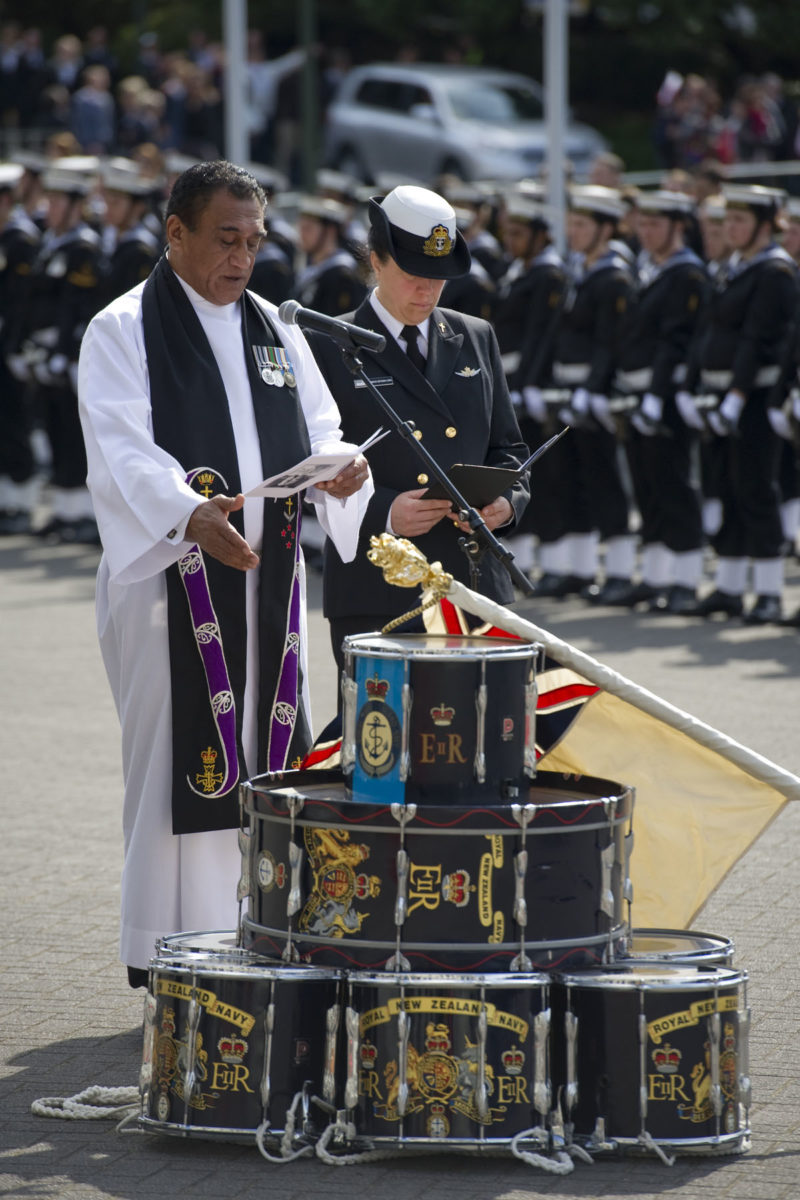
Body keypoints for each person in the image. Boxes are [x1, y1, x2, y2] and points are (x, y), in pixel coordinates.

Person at [77, 160, 373, 987]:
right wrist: (187, 514)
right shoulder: (124, 327)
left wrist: (344, 469)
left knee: (265, 752)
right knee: (179, 764)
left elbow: (322, 426)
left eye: (254, 240)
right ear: (175, 234)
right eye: (224, 239)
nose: (242, 258)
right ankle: (164, 950)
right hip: (172, 583)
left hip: (267, 580)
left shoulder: (276, 328)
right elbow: (122, 446)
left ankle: (260, 933)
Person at [307, 184, 530, 685]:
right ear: (376, 260)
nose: (427, 292)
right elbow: (305, 468)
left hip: (472, 583)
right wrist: (384, 509)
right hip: (378, 585)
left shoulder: (474, 335)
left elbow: (509, 448)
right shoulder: (325, 343)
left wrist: (508, 502)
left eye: (440, 278)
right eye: (414, 275)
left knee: (478, 745)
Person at [679, 184, 799, 623]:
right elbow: (708, 335)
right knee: (726, 487)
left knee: (756, 488)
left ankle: (767, 591)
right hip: (719, 394)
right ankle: (730, 587)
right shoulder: (732, 267)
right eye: (727, 220)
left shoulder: (775, 271)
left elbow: (759, 338)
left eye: (740, 221)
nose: (730, 228)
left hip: (750, 395)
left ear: (767, 226)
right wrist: (693, 387)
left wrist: (737, 395)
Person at [615, 189, 711, 613]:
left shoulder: (687, 274)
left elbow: (675, 342)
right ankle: (655, 577)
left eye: (656, 224)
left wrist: (656, 395)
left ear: (678, 227)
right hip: (639, 393)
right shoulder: (648, 269)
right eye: (644, 224)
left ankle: (686, 581)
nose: (647, 232)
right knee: (647, 484)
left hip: (666, 395)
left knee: (674, 485)